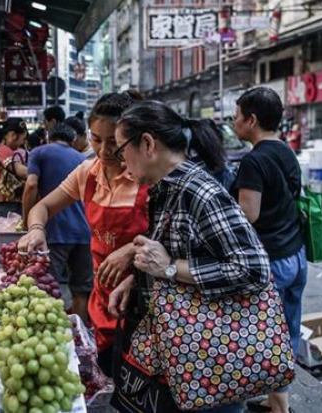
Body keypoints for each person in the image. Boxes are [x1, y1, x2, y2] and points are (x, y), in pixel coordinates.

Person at [109, 100, 271, 413]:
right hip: (181, 360)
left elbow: (252, 270)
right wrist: (140, 277)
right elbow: (181, 250)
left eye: (120, 149)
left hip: (208, 365)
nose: (120, 161)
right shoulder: (168, 188)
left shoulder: (199, 191)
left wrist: (169, 268)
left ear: (147, 143)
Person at [17, 91, 148, 375]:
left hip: (144, 301)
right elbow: (42, 206)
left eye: (113, 142)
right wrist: (36, 229)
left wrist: (133, 251)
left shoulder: (149, 176)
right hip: (102, 298)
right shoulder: (88, 172)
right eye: (96, 139)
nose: (102, 150)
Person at [230, 87, 306, 413]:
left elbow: (249, 214)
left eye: (236, 116)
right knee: (285, 331)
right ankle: (279, 404)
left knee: (263, 338)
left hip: (271, 259)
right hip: (296, 255)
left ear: (252, 119)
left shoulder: (254, 160)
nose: (234, 122)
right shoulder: (286, 151)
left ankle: (279, 405)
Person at [22, 124, 92, 320]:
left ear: (48, 136)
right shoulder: (83, 159)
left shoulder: (39, 152)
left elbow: (31, 184)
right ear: (72, 140)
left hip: (54, 230)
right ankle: (80, 334)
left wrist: (28, 221)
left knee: (46, 285)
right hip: (84, 232)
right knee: (81, 289)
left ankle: (49, 329)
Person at [0, 118, 29, 218]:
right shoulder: (2, 149)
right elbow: (20, 171)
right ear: (13, 135)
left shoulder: (0, 148)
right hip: (4, 204)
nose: (22, 144)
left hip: (2, 203)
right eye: (22, 139)